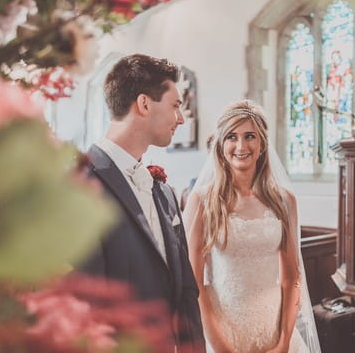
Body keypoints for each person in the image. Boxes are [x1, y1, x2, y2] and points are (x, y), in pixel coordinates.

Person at [81, 54, 206, 352]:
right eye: (176, 105)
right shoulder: (80, 187)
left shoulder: (164, 192)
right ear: (145, 104)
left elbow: (185, 291)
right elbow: (85, 308)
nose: (181, 118)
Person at [183, 100, 321, 353]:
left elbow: (292, 278)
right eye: (232, 137)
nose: (241, 146)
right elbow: (194, 284)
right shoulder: (202, 200)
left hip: (275, 330)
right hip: (223, 331)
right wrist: (221, 347)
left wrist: (283, 342)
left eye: (250, 136)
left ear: (262, 144)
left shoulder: (284, 200)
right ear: (221, 144)